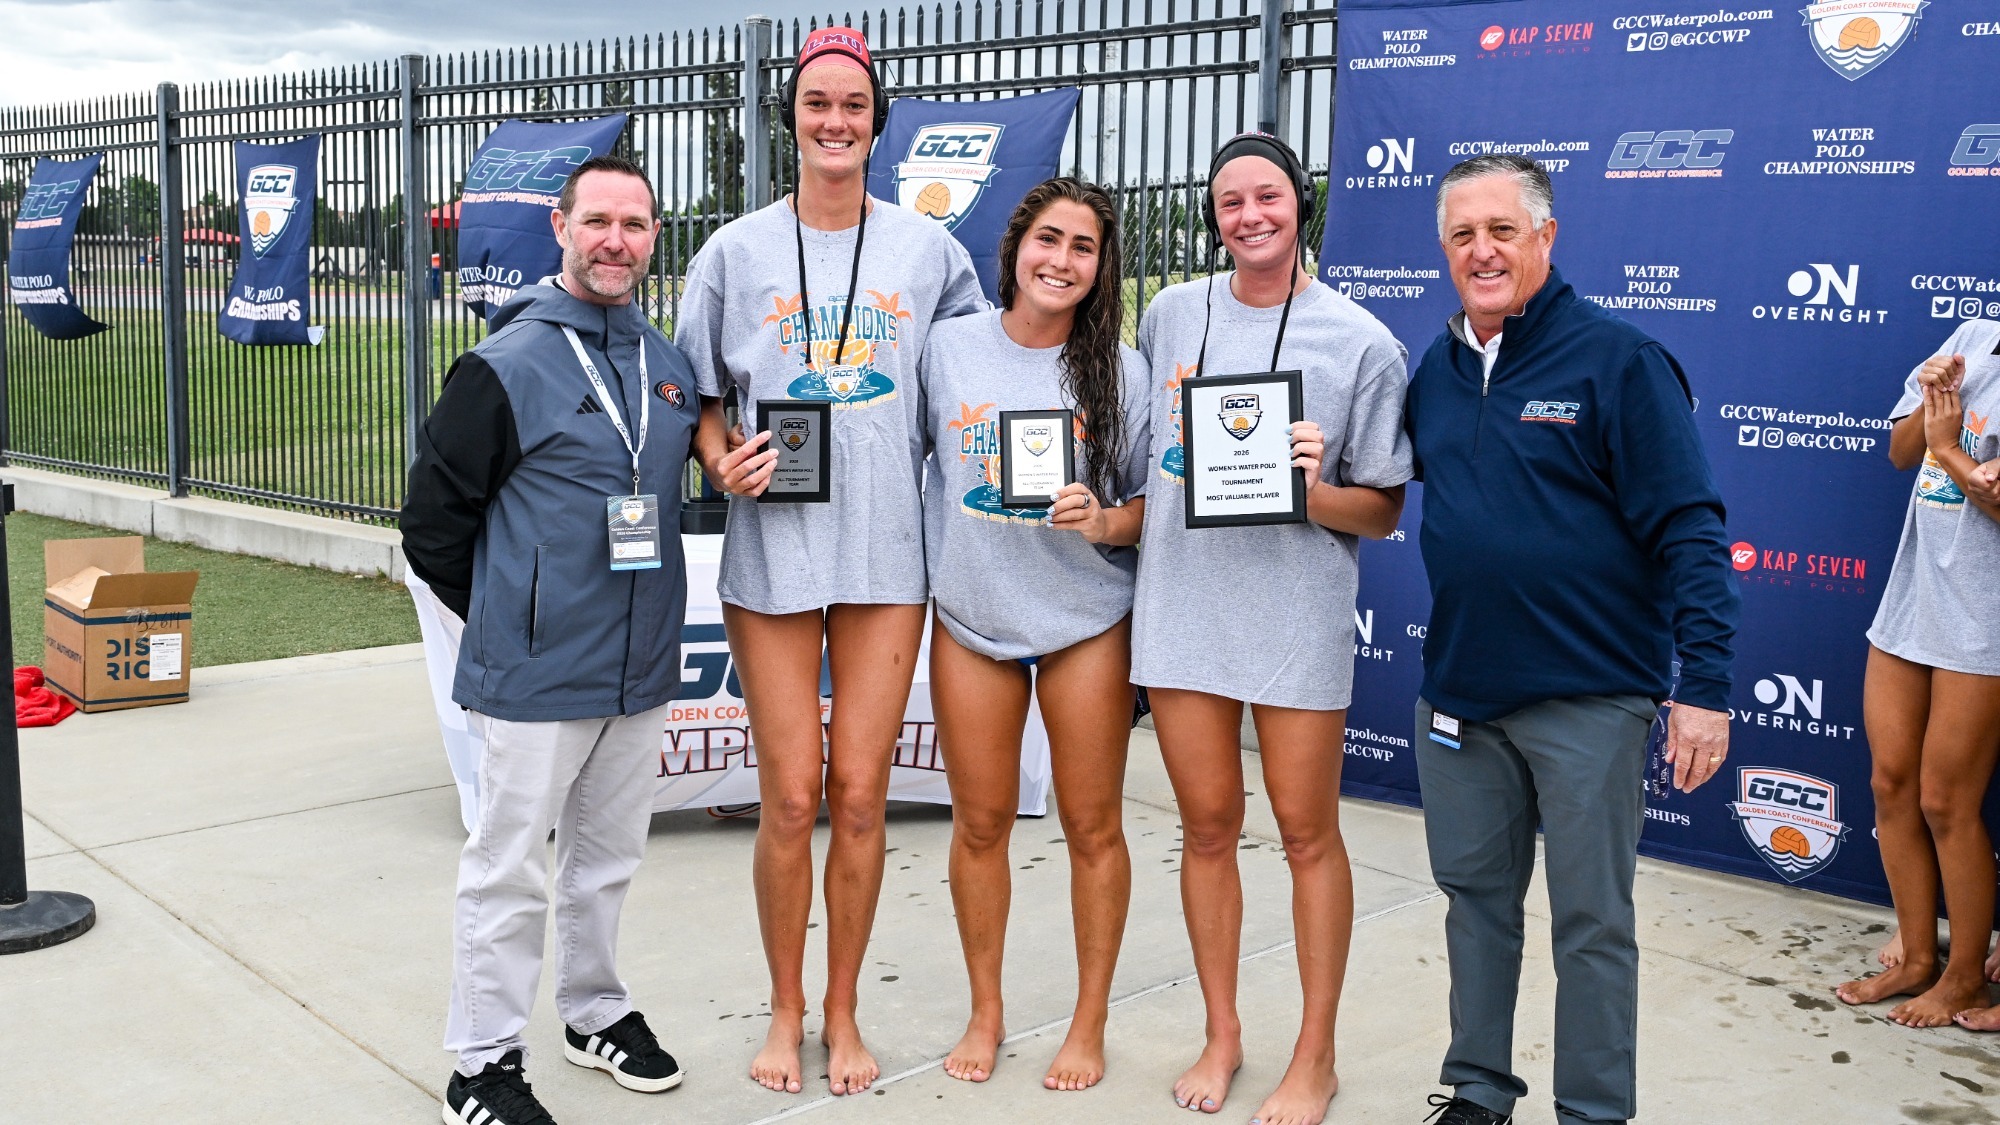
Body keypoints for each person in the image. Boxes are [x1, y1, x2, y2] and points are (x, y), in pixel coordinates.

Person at [674, 26, 986, 1098]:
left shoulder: (927, 253)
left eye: (852, 104)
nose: (834, 121)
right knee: (790, 797)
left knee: (860, 794)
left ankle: (843, 1010)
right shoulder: (734, 252)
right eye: (816, 104)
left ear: (877, 119)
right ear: (792, 116)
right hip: (774, 547)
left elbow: (972, 390)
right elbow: (704, 407)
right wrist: (724, 466)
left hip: (887, 552)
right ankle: (783, 1007)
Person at [1404, 153, 1737, 1125]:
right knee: (1474, 907)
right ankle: (1475, 1090)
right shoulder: (1434, 367)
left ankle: (1592, 1111)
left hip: (1587, 699)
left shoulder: (1616, 362)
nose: (1481, 250)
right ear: (1443, 250)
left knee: (1591, 923)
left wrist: (1703, 688)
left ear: (1544, 238)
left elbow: (1689, 528)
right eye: (1462, 234)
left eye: (1501, 230)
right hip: (1460, 693)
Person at [402, 154, 698, 1125]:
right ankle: (480, 1065)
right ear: (563, 229)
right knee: (507, 868)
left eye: (636, 224)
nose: (616, 241)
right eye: (598, 221)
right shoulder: (504, 363)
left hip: (640, 665)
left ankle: (594, 1012)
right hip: (536, 670)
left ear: (655, 238)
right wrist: (511, 616)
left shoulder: (666, 366)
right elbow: (433, 529)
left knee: (607, 858)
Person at [1131, 132, 1412, 1125]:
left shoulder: (1361, 342)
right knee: (1206, 828)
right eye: (1227, 202)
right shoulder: (1170, 314)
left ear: (1301, 205)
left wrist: (1312, 487)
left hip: (1294, 612)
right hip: (1181, 606)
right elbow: (1146, 459)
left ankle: (1315, 1054)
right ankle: (1221, 1033)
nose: (1247, 216)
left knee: (1303, 832)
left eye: (1266, 198)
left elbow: (1378, 511)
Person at [917, 178, 1148, 1092]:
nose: (1061, 260)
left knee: (1093, 828)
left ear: (1101, 267)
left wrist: (1101, 519)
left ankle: (1088, 1020)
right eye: (1048, 240)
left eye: (1083, 247)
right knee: (979, 825)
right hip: (974, 620)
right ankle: (987, 1007)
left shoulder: (1120, 370)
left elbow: (1148, 510)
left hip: (1084, 622)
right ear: (1014, 249)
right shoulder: (947, 348)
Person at [1835, 320, 2000, 1029]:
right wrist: (1933, 405)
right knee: (1890, 781)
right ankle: (1916, 959)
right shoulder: (1976, 335)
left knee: (1947, 801)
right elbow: (1904, 454)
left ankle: (1965, 977)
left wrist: (1948, 445)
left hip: (1983, 612)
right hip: (1912, 599)